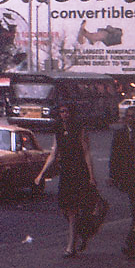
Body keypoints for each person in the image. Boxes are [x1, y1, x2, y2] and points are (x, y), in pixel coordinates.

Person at [35, 102, 97, 257]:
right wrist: (41, 173)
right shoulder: (58, 129)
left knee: (73, 210)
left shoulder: (79, 128)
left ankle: (71, 246)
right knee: (65, 208)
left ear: (72, 113)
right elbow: (54, 153)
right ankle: (80, 233)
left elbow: (86, 152)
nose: (64, 114)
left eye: (67, 111)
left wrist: (91, 176)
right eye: (62, 111)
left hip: (79, 171)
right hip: (66, 171)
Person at [109, 106, 135, 258]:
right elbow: (115, 155)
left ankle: (133, 243)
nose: (130, 119)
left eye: (134, 116)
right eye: (128, 116)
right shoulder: (120, 134)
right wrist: (113, 176)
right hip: (129, 178)